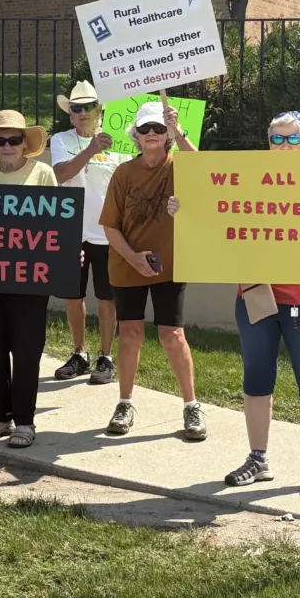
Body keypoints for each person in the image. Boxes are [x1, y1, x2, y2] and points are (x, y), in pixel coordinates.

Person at [166, 110, 300, 497]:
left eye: (293, 139)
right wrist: (184, 206)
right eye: (278, 139)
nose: (284, 146)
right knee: (256, 379)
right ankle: (258, 458)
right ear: (268, 142)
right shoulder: (251, 176)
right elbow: (206, 180)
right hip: (255, 294)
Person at [98, 100, 207, 441]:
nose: (151, 135)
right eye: (144, 129)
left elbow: (206, 172)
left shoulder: (180, 165)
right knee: (129, 333)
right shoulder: (123, 173)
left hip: (171, 265)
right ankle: (125, 402)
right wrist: (132, 258)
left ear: (167, 135)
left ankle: (191, 405)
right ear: (135, 135)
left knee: (171, 335)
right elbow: (110, 227)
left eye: (158, 129)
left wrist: (180, 130)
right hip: (128, 264)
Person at [0, 110, 59, 449]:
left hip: (30, 279)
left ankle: (25, 421)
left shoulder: (43, 173)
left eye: (14, 139)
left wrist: (68, 252)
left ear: (25, 143)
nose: (7, 146)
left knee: (26, 351)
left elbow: (57, 223)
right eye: (0, 140)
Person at [50, 80, 130, 384]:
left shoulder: (120, 142)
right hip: (73, 232)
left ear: (101, 110)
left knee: (107, 298)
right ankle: (79, 353)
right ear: (70, 114)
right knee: (74, 295)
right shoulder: (61, 139)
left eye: (88, 107)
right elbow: (61, 174)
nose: (82, 112)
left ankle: (106, 357)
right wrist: (91, 148)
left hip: (108, 233)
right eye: (76, 108)